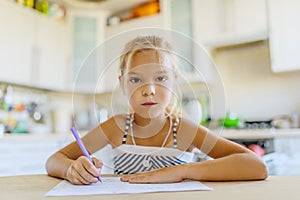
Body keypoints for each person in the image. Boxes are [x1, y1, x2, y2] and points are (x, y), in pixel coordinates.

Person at [46, 35, 268, 185]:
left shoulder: (184, 129)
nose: (149, 90)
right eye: (135, 80)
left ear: (174, 82)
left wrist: (182, 172)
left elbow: (256, 166)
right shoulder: (116, 127)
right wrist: (71, 169)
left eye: (160, 78)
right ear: (123, 84)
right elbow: (54, 160)